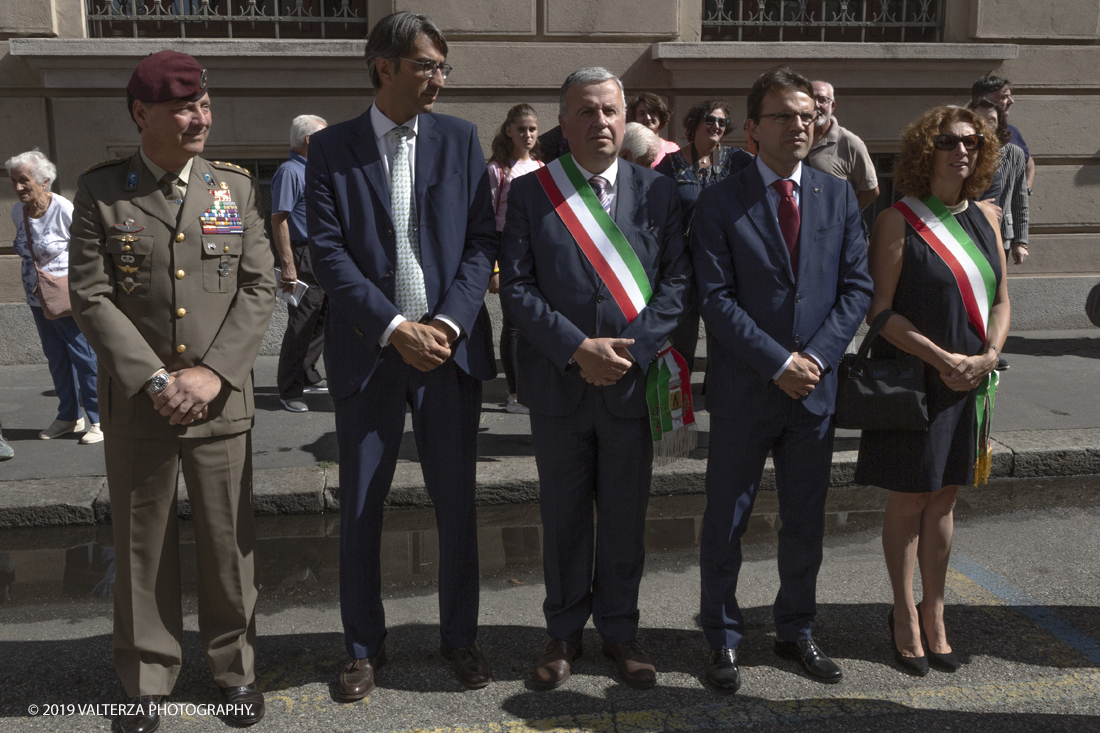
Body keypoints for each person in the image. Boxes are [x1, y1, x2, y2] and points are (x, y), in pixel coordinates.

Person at [67, 50, 276, 732]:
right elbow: (91, 296)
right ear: (141, 114)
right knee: (142, 548)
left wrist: (213, 372)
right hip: (140, 403)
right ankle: (147, 678)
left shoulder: (234, 188)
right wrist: (156, 378)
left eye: (203, 103)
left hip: (220, 401)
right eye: (183, 106)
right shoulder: (103, 192)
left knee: (227, 545)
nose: (200, 116)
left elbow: (258, 284)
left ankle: (234, 670)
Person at [305, 11, 498, 698]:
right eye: (426, 65)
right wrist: (394, 326)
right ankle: (362, 645)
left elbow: (481, 242)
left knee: (457, 506)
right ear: (384, 67)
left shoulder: (461, 140)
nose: (439, 79)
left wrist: (444, 322)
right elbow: (326, 253)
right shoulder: (331, 150)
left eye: (444, 66)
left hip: (449, 350)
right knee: (361, 505)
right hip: (370, 351)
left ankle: (461, 637)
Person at [501, 66, 690, 691]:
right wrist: (576, 347)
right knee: (562, 516)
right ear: (563, 122)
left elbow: (677, 286)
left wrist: (630, 352)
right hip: (560, 385)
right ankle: (562, 634)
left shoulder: (658, 192)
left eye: (610, 110)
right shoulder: (532, 194)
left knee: (625, 514)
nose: (600, 122)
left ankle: (620, 630)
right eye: (586, 111)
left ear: (625, 116)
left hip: (631, 386)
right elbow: (519, 291)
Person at [692, 67, 873, 693]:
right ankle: (721, 637)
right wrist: (778, 362)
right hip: (747, 391)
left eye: (807, 116)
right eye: (784, 116)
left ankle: (797, 629)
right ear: (752, 129)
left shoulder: (836, 194)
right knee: (727, 521)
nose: (800, 125)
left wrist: (815, 359)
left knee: (805, 522)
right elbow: (715, 298)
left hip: (813, 393)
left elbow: (857, 288)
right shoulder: (719, 200)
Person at [855, 106, 1009, 676]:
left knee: (945, 496)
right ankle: (902, 611)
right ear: (927, 150)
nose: (961, 150)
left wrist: (988, 356)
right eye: (948, 141)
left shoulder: (988, 218)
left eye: (971, 141)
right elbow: (881, 311)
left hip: (971, 380)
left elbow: (1000, 301)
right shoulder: (898, 219)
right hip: (918, 379)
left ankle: (935, 609)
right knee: (911, 496)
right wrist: (943, 358)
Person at [7, 150, 102, 445]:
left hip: (65, 296)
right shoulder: (16, 211)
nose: (19, 188)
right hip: (36, 297)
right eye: (14, 181)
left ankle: (99, 419)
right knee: (56, 358)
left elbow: (87, 251)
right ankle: (68, 417)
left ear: (45, 181)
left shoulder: (63, 208)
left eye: (24, 181)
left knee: (83, 356)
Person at [656, 101, 754, 373]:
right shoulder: (671, 165)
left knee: (724, 333)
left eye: (722, 122)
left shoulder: (739, 162)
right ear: (694, 125)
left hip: (724, 262)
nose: (716, 126)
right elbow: (655, 209)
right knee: (681, 337)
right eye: (710, 120)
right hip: (683, 262)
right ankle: (678, 399)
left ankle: (721, 395)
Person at [487, 103, 544, 415]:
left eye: (532, 129)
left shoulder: (541, 168)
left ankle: (532, 389)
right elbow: (487, 222)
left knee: (531, 322)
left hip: (535, 249)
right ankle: (515, 393)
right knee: (512, 325)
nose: (528, 135)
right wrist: (493, 267)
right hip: (506, 248)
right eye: (521, 129)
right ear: (508, 130)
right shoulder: (496, 170)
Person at [273, 113, 329, 412]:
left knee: (320, 318)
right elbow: (279, 219)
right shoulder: (290, 171)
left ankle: (308, 374)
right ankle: (289, 390)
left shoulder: (314, 169)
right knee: (301, 323)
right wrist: (288, 265)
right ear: (310, 140)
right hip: (302, 253)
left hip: (321, 252)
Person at [970, 97, 1030, 265]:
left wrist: (1020, 242)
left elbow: (1020, 199)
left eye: (991, 121)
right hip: (966, 232)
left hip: (1000, 233)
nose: (985, 125)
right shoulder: (962, 152)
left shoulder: (1014, 154)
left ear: (999, 123)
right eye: (979, 120)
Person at [807, 81, 880, 211]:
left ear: (832, 105)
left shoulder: (850, 142)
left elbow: (870, 191)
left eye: (822, 100)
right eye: (811, 99)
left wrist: (845, 218)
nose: (816, 105)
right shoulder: (792, 136)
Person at [971, 75, 1034, 193]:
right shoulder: (964, 135)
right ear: (985, 99)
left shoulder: (1011, 132)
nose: (1011, 101)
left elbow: (1028, 163)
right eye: (1005, 97)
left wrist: (1027, 190)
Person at [627, 92, 680, 167]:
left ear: (660, 115)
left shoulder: (672, 149)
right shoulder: (627, 148)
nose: (648, 118)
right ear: (634, 118)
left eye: (652, 112)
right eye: (642, 114)